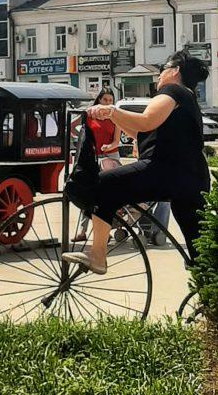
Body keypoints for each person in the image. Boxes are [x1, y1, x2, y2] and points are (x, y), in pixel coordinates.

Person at [63, 50, 210, 274]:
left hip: (163, 170)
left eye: (163, 70)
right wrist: (113, 117)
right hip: (192, 179)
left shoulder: (172, 91)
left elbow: (146, 122)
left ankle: (98, 255)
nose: (159, 76)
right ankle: (215, 291)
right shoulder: (188, 98)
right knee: (199, 245)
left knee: (103, 185)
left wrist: (111, 110)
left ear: (175, 71)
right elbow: (141, 132)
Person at [74, 87, 121, 242]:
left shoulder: (116, 116)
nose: (107, 103)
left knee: (106, 191)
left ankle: (107, 229)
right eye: (105, 100)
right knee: (87, 190)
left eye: (110, 100)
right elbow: (73, 127)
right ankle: (82, 230)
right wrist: (82, 141)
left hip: (110, 156)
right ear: (99, 100)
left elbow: (116, 141)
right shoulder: (90, 113)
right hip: (93, 156)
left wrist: (109, 147)